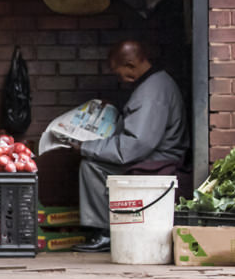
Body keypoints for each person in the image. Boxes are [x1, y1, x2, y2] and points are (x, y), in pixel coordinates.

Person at [71, 40, 189, 253]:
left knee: (91, 166)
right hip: (153, 154)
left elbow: (135, 145)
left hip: (157, 160)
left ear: (132, 65)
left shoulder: (152, 91)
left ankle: (105, 233)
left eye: (120, 73)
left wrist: (86, 147)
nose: (121, 79)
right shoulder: (154, 84)